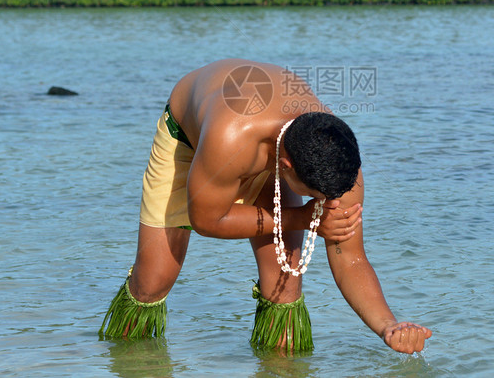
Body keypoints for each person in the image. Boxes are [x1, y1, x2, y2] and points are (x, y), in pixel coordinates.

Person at [100, 59, 432, 354]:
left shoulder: (340, 162)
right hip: (191, 138)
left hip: (269, 138)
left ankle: (280, 367)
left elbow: (351, 258)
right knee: (153, 282)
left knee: (285, 288)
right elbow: (206, 220)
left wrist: (388, 326)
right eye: (318, 196)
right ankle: (125, 359)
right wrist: (301, 218)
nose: (329, 204)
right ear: (286, 168)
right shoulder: (228, 138)